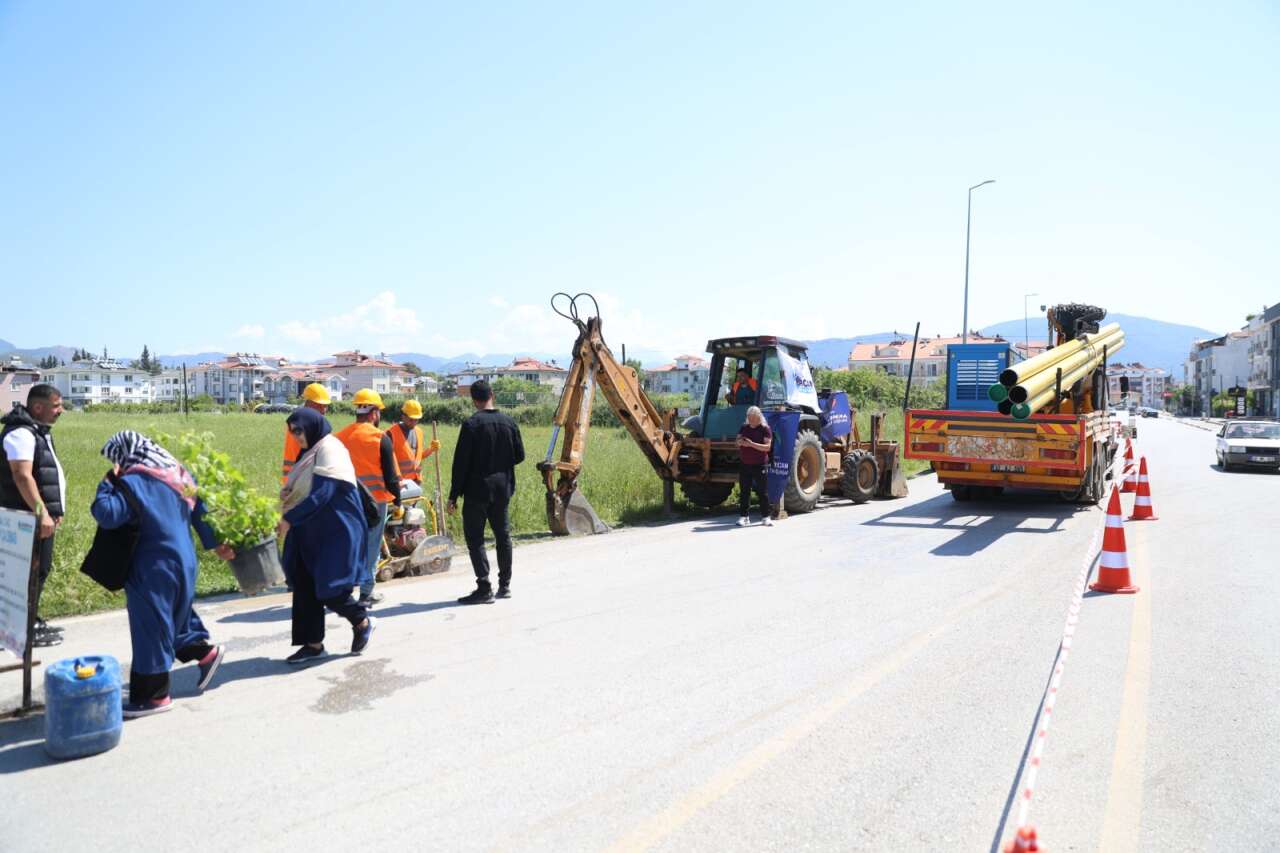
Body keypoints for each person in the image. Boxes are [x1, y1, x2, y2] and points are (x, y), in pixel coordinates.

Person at [91, 431, 235, 718]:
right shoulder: (179, 474)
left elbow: (106, 513)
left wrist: (108, 481)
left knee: (150, 628)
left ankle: (154, 697)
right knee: (172, 615)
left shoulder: (132, 482)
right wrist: (216, 543)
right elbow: (201, 510)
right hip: (184, 561)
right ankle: (203, 654)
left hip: (152, 564)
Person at [279, 407, 373, 664]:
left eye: (300, 432)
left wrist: (289, 518)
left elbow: (323, 494)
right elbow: (305, 487)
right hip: (311, 530)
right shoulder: (309, 452)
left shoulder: (330, 449)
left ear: (312, 427)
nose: (297, 438)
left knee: (331, 588)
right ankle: (312, 644)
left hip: (337, 531)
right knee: (304, 585)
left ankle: (361, 620)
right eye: (294, 433)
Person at [0, 384, 67, 647]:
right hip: (26, 520)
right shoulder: (21, 434)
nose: (60, 411)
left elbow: (43, 475)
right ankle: (20, 629)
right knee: (29, 573)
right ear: (38, 407)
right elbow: (22, 475)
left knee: (35, 572)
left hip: (33, 518)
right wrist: (42, 514)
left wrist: (52, 511)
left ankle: (28, 623)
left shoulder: (34, 432)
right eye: (56, 406)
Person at [448, 380, 525, 604]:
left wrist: (454, 495)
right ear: (492, 394)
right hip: (502, 489)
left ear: (473, 399)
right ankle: (505, 585)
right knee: (503, 536)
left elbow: (460, 464)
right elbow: (519, 455)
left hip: (476, 491)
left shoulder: (471, 424)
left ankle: (484, 587)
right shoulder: (509, 422)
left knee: (475, 538)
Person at [335, 388, 400, 608]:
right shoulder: (380, 438)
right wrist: (398, 499)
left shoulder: (340, 437)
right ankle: (366, 593)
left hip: (346, 501)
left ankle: (341, 592)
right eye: (379, 411)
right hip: (375, 503)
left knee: (349, 545)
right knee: (371, 547)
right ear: (373, 413)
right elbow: (391, 476)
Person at [281, 383, 331, 484]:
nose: (323, 410)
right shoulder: (306, 423)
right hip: (300, 479)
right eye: (319, 405)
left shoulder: (299, 419)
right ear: (308, 403)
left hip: (295, 478)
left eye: (325, 406)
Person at [388, 398, 441, 485]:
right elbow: (387, 460)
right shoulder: (391, 433)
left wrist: (431, 449)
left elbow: (419, 457)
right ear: (403, 416)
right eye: (411, 419)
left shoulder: (419, 432)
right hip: (399, 483)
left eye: (416, 420)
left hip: (416, 480)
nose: (413, 423)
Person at [735, 406, 774, 527]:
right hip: (745, 463)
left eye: (753, 418)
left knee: (762, 492)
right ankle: (744, 517)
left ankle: (766, 517)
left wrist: (751, 444)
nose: (751, 421)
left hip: (760, 464)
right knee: (744, 491)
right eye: (749, 418)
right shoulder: (744, 428)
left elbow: (767, 448)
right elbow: (737, 442)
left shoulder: (765, 429)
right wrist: (740, 442)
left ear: (759, 417)